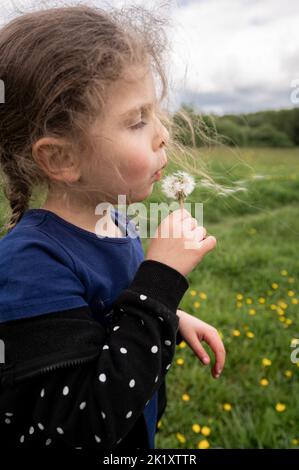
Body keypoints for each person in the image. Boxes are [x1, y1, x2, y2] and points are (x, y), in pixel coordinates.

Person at [0, 5, 225, 448]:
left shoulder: (116, 221)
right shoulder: (30, 263)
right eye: (137, 120)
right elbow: (84, 423)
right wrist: (159, 284)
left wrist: (170, 316)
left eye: (155, 112)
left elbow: (104, 317)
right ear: (62, 158)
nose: (162, 133)